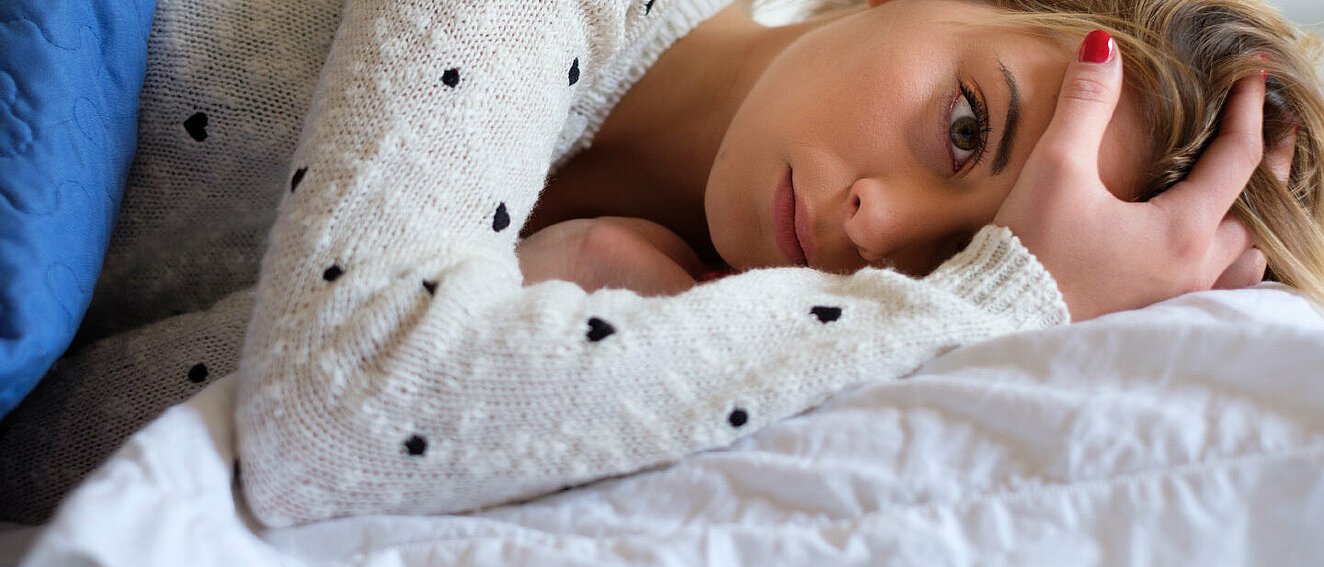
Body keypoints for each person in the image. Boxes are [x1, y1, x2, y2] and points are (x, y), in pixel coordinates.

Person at [230, 0, 1323, 528]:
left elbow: (106, 447)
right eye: (964, 125)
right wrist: (998, 296)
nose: (878, 229)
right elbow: (324, 419)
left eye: (954, 262)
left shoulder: (690, 339)